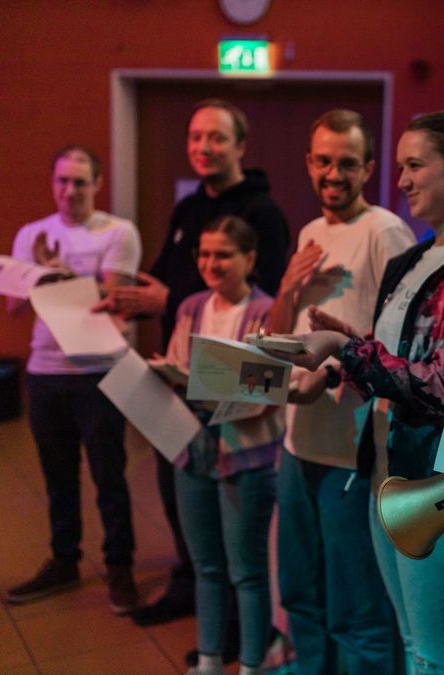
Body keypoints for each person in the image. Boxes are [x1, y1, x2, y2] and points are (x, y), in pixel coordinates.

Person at [274, 110, 444, 675]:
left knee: (438, 658)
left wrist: (347, 351)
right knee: (411, 642)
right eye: (400, 167)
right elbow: (399, 360)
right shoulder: (410, 261)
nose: (403, 181)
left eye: (415, 166)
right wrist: (349, 345)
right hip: (385, 469)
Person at [102, 99, 290, 631]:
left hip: (233, 390)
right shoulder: (186, 210)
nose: (203, 148)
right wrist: (126, 297)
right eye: (195, 137)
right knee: (180, 494)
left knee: (234, 515)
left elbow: (268, 296)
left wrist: (166, 299)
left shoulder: (263, 213)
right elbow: (164, 276)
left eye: (216, 138)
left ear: (239, 147)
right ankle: (192, 584)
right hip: (179, 384)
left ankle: (235, 613)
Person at [264, 109, 414, 674]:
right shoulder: (309, 234)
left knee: (356, 609)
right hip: (297, 443)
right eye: (323, 161)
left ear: (368, 168)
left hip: (350, 453)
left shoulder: (385, 232)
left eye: (347, 164)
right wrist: (286, 288)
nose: (334, 174)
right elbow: (288, 331)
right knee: (301, 593)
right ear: (309, 163)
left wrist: (329, 376)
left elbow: (395, 347)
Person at [5, 145, 140, 614]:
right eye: (62, 181)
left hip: (98, 371)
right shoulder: (30, 234)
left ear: (97, 184)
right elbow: (13, 305)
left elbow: (114, 296)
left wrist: (63, 276)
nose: (70, 191)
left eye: (80, 181)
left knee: (110, 477)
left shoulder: (118, 232)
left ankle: (119, 567)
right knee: (57, 477)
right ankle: (64, 561)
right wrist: (40, 274)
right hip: (44, 370)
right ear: (52, 183)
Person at [163, 215, 283, 675]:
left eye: (223, 254)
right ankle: (210, 660)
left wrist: (221, 389)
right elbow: (177, 366)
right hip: (193, 450)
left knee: (247, 571)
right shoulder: (191, 306)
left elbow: (272, 390)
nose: (211, 263)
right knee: (205, 566)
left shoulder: (266, 312)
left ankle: (253, 663)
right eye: (205, 253)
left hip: (246, 454)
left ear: (249, 259)